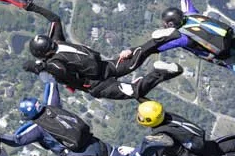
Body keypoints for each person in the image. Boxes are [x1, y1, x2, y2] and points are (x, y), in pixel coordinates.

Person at [131, 0, 235, 94]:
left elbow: (157, 47)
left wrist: (136, 52)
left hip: (230, 58)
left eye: (166, 24)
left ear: (171, 24)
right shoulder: (191, 14)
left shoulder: (183, 37)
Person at [22, 14, 181, 105]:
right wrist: (31, 7)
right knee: (136, 55)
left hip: (99, 85)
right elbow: (54, 19)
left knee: (135, 91)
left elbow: (67, 77)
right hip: (106, 66)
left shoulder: (53, 65)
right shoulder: (58, 42)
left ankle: (158, 72)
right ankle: (163, 38)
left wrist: (38, 67)